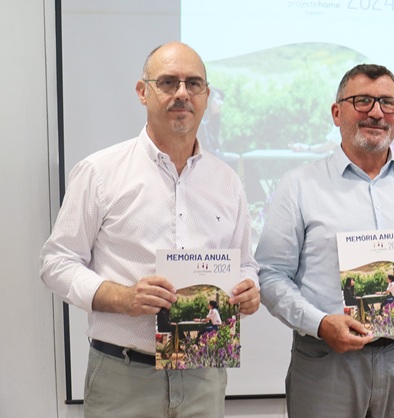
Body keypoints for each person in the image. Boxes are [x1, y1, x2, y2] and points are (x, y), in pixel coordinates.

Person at [40, 42, 260, 417]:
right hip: (123, 376)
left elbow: (246, 264)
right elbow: (56, 264)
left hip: (204, 375)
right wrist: (122, 298)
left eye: (193, 84)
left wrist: (249, 288)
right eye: (168, 82)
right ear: (143, 92)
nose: (182, 93)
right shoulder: (100, 172)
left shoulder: (227, 181)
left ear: (206, 97)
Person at [255, 63, 394, 418]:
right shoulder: (299, 185)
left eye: (388, 103)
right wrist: (320, 323)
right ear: (337, 113)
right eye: (363, 101)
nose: (377, 113)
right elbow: (271, 275)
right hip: (326, 362)